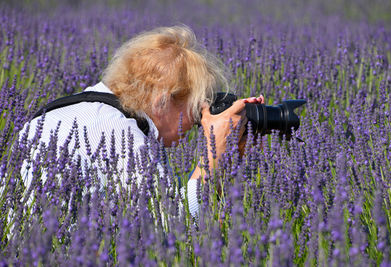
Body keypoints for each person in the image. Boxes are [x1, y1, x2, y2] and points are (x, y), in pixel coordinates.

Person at [20, 25, 264, 216]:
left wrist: (225, 164)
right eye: (195, 106)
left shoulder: (72, 109)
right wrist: (212, 158)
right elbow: (169, 229)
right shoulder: (121, 135)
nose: (197, 121)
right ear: (162, 99)